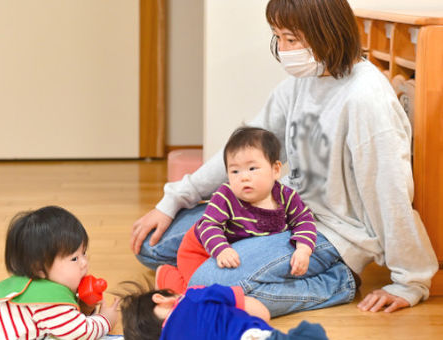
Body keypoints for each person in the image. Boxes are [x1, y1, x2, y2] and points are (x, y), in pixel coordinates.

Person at [131, 0, 438, 317]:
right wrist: (176, 199)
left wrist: (410, 280)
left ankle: (338, 282)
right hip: (281, 207)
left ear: (327, 34)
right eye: (277, 37)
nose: (283, 48)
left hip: (334, 232)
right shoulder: (301, 82)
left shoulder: (366, 99)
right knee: (154, 246)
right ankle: (240, 271)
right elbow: (245, 150)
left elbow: (390, 191)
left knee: (208, 280)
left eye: (291, 39)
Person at [156, 127, 317, 294]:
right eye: (235, 171)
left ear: (275, 170)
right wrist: (221, 249)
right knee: (197, 291)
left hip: (237, 250)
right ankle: (166, 275)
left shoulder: (286, 196)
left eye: (252, 168)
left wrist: (303, 248)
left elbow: (304, 220)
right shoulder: (226, 195)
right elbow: (209, 225)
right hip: (199, 248)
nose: (244, 177)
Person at [0, 206, 119, 339]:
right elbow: (81, 332)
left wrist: (84, 306)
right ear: (39, 268)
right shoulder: (51, 304)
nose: (84, 263)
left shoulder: (36, 286)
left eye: (84, 253)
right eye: (74, 259)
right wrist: (104, 320)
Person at [119, 282, 328, 340]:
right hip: (249, 337)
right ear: (161, 299)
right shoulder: (193, 295)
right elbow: (261, 312)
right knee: (310, 333)